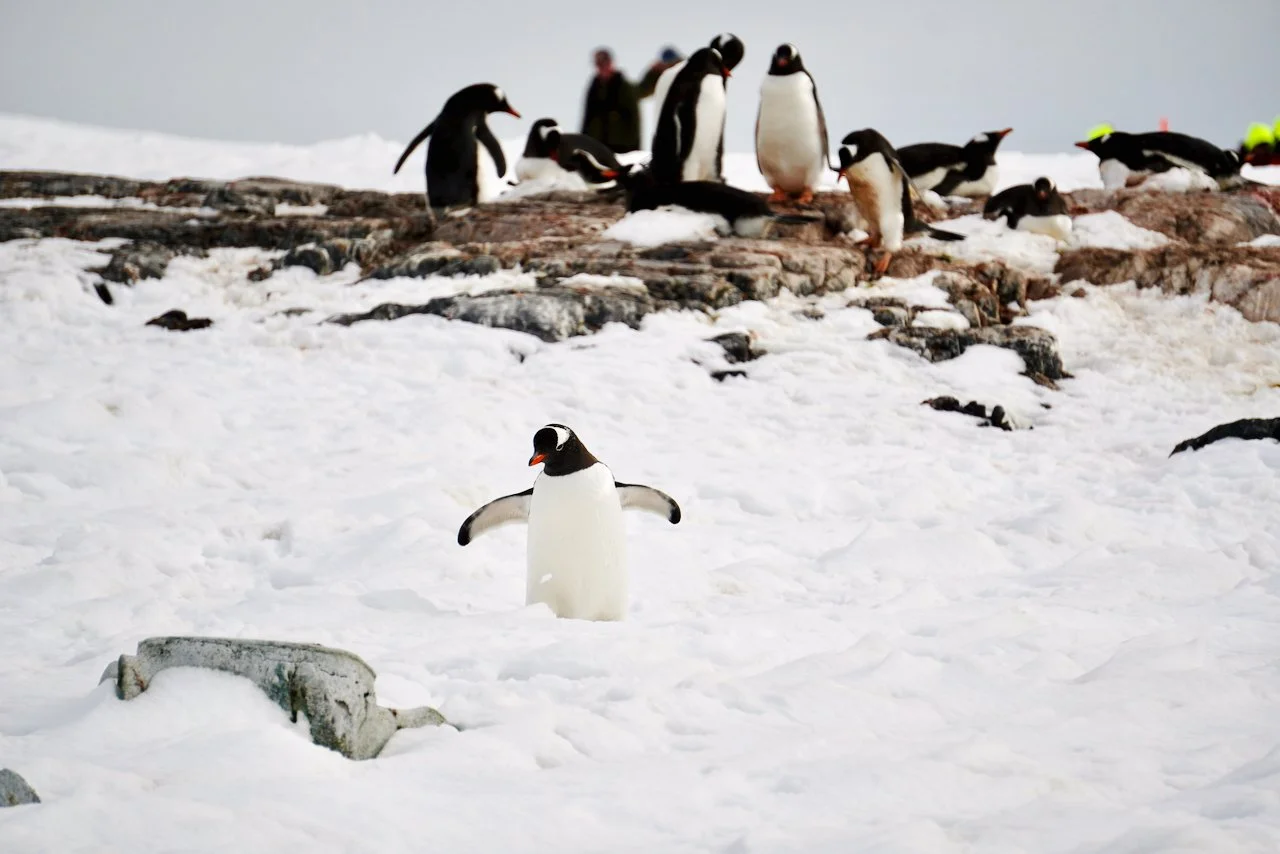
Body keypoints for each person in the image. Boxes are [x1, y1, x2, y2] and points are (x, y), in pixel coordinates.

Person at [581, 48, 641, 154]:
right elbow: (587, 117)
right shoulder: (594, 87)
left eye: (603, 63)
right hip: (597, 146)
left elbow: (633, 119)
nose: (601, 68)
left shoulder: (624, 86)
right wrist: (583, 143)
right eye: (598, 64)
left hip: (621, 148)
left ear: (610, 62)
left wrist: (635, 150)